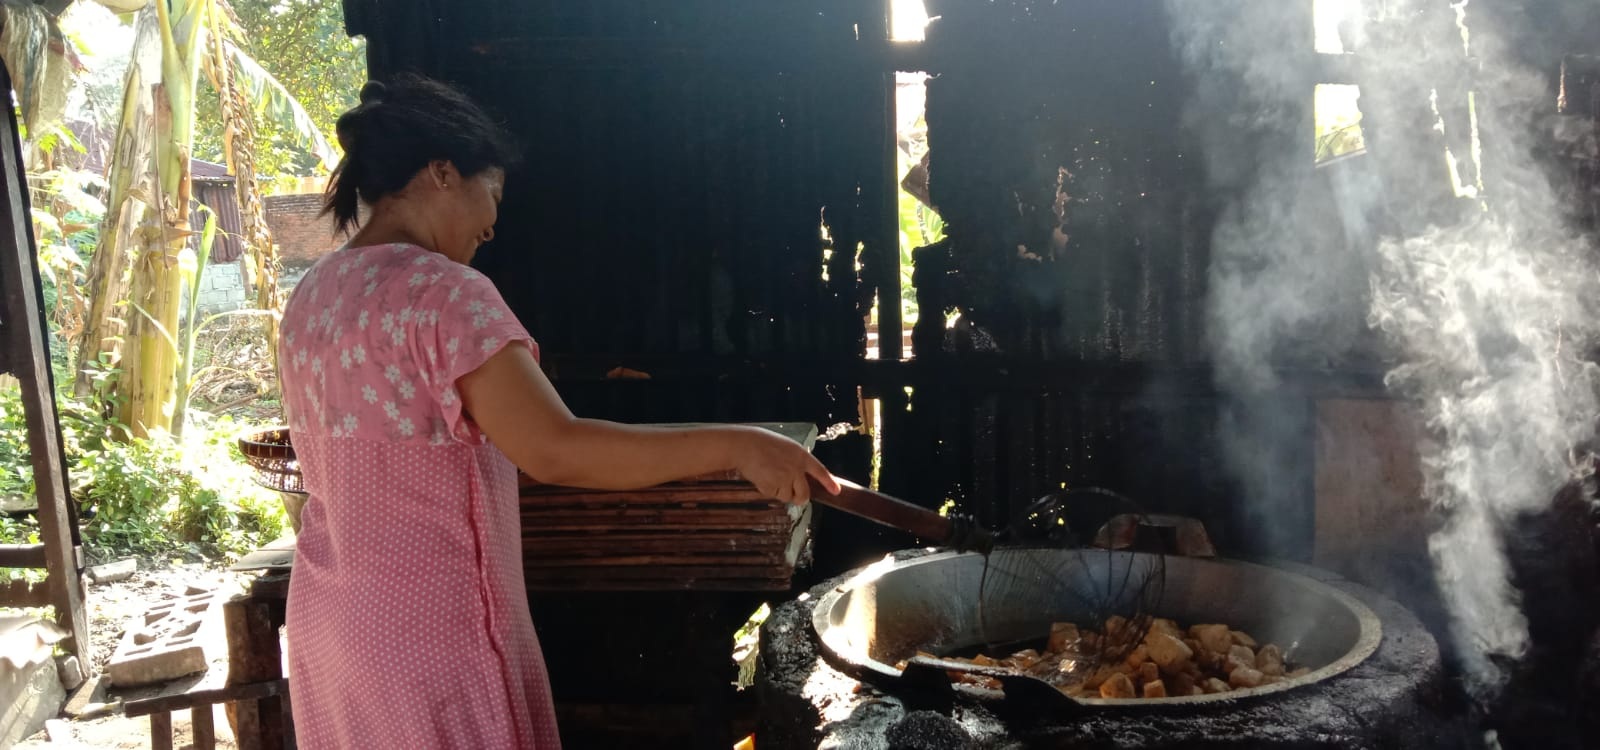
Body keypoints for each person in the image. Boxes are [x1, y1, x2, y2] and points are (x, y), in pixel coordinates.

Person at [277, 74, 839, 749]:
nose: (493, 222)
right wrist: (739, 445)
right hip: (434, 642)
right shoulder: (445, 295)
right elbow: (556, 448)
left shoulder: (314, 293)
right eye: (493, 194)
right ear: (442, 172)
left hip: (331, 631)